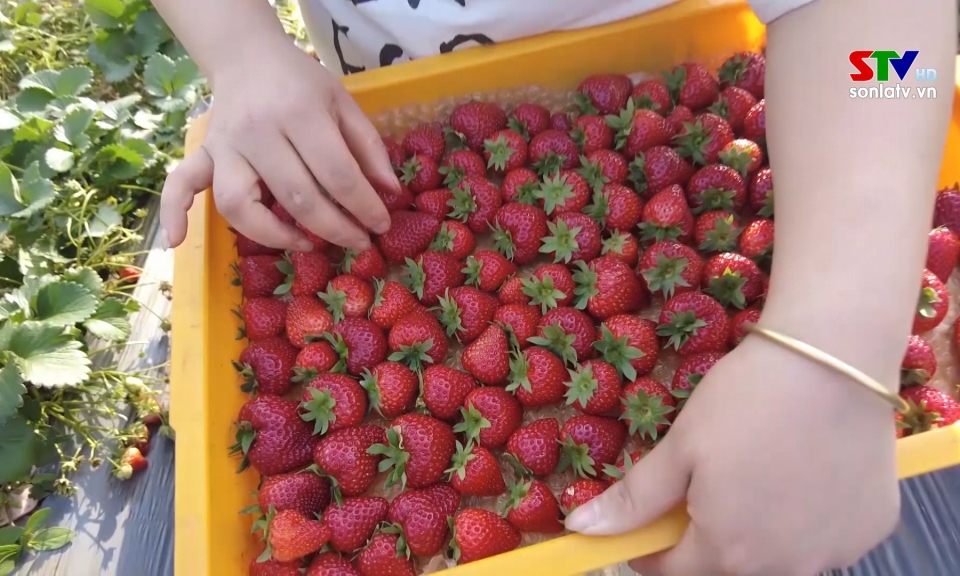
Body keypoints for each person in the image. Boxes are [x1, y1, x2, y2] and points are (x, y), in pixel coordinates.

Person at [154, 0, 956, 573]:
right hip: (373, 124)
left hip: (737, 97)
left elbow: (902, 54)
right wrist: (244, 51)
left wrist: (837, 340)